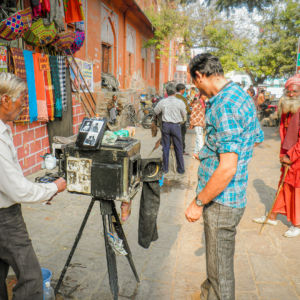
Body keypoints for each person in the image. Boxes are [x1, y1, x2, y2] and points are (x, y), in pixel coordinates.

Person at [185, 53, 264, 300]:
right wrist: (210, 152)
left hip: (222, 201)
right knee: (216, 263)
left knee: (221, 273)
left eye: (195, 84)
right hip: (233, 194)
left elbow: (228, 167)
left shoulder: (223, 105)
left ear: (200, 76)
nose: (197, 91)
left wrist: (198, 202)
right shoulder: (239, 94)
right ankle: (206, 293)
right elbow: (254, 139)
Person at [0, 72, 67, 300]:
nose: (25, 104)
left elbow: (12, 180)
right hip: (5, 219)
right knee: (31, 278)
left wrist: (41, 192)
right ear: (5, 100)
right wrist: (54, 187)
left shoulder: (4, 129)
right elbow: (17, 189)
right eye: (22, 98)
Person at [253, 74, 300, 237]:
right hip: (288, 156)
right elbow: (284, 134)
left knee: (296, 190)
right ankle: (272, 216)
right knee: (283, 185)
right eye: (288, 91)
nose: (291, 94)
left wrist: (291, 156)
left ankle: (297, 224)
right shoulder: (287, 109)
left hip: (297, 159)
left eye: (294, 91)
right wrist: (283, 155)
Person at [154, 82, 186, 174]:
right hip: (176, 126)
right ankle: (180, 169)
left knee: (166, 147)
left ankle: (165, 169)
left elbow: (155, 111)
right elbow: (184, 114)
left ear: (167, 92)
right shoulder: (180, 102)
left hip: (166, 126)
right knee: (178, 148)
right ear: (175, 91)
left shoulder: (163, 102)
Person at [175, 83, 191, 155]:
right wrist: (191, 112)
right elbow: (187, 110)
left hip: (170, 121)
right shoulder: (183, 99)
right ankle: (182, 151)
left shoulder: (171, 97)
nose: (184, 91)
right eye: (184, 89)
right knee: (182, 135)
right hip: (180, 121)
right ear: (182, 90)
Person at [189, 94, 206, 159]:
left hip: (201, 123)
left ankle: (195, 153)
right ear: (201, 96)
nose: (205, 97)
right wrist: (191, 123)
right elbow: (193, 113)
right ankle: (201, 154)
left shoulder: (203, 102)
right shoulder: (198, 103)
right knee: (200, 138)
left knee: (197, 139)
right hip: (198, 123)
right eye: (204, 96)